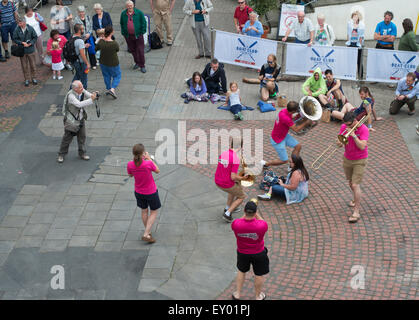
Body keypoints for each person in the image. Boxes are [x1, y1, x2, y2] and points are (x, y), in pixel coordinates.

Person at [231, 199, 269, 300]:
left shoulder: (236, 224)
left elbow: (239, 220)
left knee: (241, 271)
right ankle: (258, 296)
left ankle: (237, 293)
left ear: (244, 211)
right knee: (259, 274)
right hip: (259, 253)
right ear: (255, 212)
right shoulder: (262, 226)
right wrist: (256, 214)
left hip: (242, 252)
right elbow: (263, 221)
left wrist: (246, 215)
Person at [260, 101, 313, 168]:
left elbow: (290, 120)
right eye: (297, 110)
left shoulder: (284, 111)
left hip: (283, 136)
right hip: (277, 140)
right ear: (293, 111)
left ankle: (292, 165)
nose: (298, 110)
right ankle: (266, 164)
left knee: (298, 146)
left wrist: (298, 117)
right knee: (284, 160)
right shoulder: (285, 118)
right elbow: (296, 129)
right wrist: (306, 122)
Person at [338, 111, 369, 223]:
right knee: (351, 183)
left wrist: (354, 136)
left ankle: (356, 211)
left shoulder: (364, 129)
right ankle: (356, 198)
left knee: (355, 185)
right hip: (348, 158)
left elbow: (362, 146)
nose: (347, 127)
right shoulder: (344, 126)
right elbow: (340, 142)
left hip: (360, 160)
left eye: (349, 125)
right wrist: (339, 142)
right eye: (345, 124)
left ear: (355, 121)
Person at [57, 80, 98, 163]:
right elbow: (79, 104)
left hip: (80, 118)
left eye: (82, 86)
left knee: (82, 137)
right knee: (67, 138)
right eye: (80, 87)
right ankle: (61, 154)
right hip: (71, 121)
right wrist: (91, 100)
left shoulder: (81, 90)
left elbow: (88, 95)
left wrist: (94, 96)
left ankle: (82, 153)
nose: (83, 88)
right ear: (75, 89)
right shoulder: (71, 96)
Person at [127, 143, 161, 244]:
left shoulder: (130, 164)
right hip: (151, 192)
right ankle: (146, 233)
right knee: (154, 211)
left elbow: (130, 175)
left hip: (138, 192)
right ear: (143, 153)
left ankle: (148, 232)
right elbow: (157, 171)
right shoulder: (148, 164)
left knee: (144, 211)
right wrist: (149, 158)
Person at [214, 136, 248, 222]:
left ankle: (228, 207)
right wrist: (242, 178)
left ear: (231, 144)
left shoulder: (224, 153)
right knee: (242, 196)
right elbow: (233, 177)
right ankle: (227, 214)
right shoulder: (235, 158)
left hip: (218, 180)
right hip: (226, 183)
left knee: (233, 189)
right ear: (240, 147)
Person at [120, 0, 147, 73]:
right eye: (128, 6)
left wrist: (142, 32)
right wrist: (123, 33)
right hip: (128, 36)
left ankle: (142, 65)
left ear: (133, 5)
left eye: (131, 5)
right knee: (133, 50)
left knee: (140, 50)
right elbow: (122, 23)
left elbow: (144, 23)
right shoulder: (123, 14)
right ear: (126, 6)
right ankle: (137, 62)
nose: (129, 7)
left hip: (138, 35)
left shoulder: (139, 13)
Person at [95, 25, 121, 99]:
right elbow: (117, 50)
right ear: (112, 32)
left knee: (106, 76)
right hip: (113, 63)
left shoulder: (101, 42)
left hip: (103, 62)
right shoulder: (114, 43)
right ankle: (112, 89)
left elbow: (96, 48)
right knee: (117, 76)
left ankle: (108, 88)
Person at [12, 18, 38, 87]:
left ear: (24, 23)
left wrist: (30, 43)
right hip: (22, 51)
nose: (18, 24)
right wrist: (21, 42)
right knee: (24, 66)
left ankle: (34, 78)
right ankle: (26, 79)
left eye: (20, 23)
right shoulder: (17, 29)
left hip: (30, 50)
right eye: (18, 23)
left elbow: (35, 37)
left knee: (33, 65)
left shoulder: (30, 28)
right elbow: (14, 38)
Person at [74, 5, 97, 70]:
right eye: (80, 12)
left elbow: (91, 26)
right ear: (78, 12)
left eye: (83, 12)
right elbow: (76, 29)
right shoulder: (76, 19)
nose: (81, 13)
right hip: (81, 38)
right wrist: (84, 35)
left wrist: (89, 33)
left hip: (89, 37)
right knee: (83, 52)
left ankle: (93, 64)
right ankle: (84, 64)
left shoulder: (88, 17)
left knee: (91, 50)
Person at [346, 10, 365, 79]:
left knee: (359, 61)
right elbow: (348, 33)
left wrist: (360, 45)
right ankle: (349, 75)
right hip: (351, 44)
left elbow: (361, 36)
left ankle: (360, 76)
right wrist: (348, 43)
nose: (354, 18)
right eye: (353, 16)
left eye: (356, 16)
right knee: (350, 60)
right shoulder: (349, 24)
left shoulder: (362, 25)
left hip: (358, 45)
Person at [71, 23, 90, 90]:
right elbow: (82, 54)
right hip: (81, 62)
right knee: (84, 79)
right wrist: (87, 63)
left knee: (77, 76)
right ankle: (82, 93)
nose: (83, 31)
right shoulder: (80, 41)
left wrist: (84, 46)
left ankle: (71, 89)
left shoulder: (73, 37)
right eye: (83, 29)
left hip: (75, 61)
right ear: (79, 30)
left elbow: (76, 47)